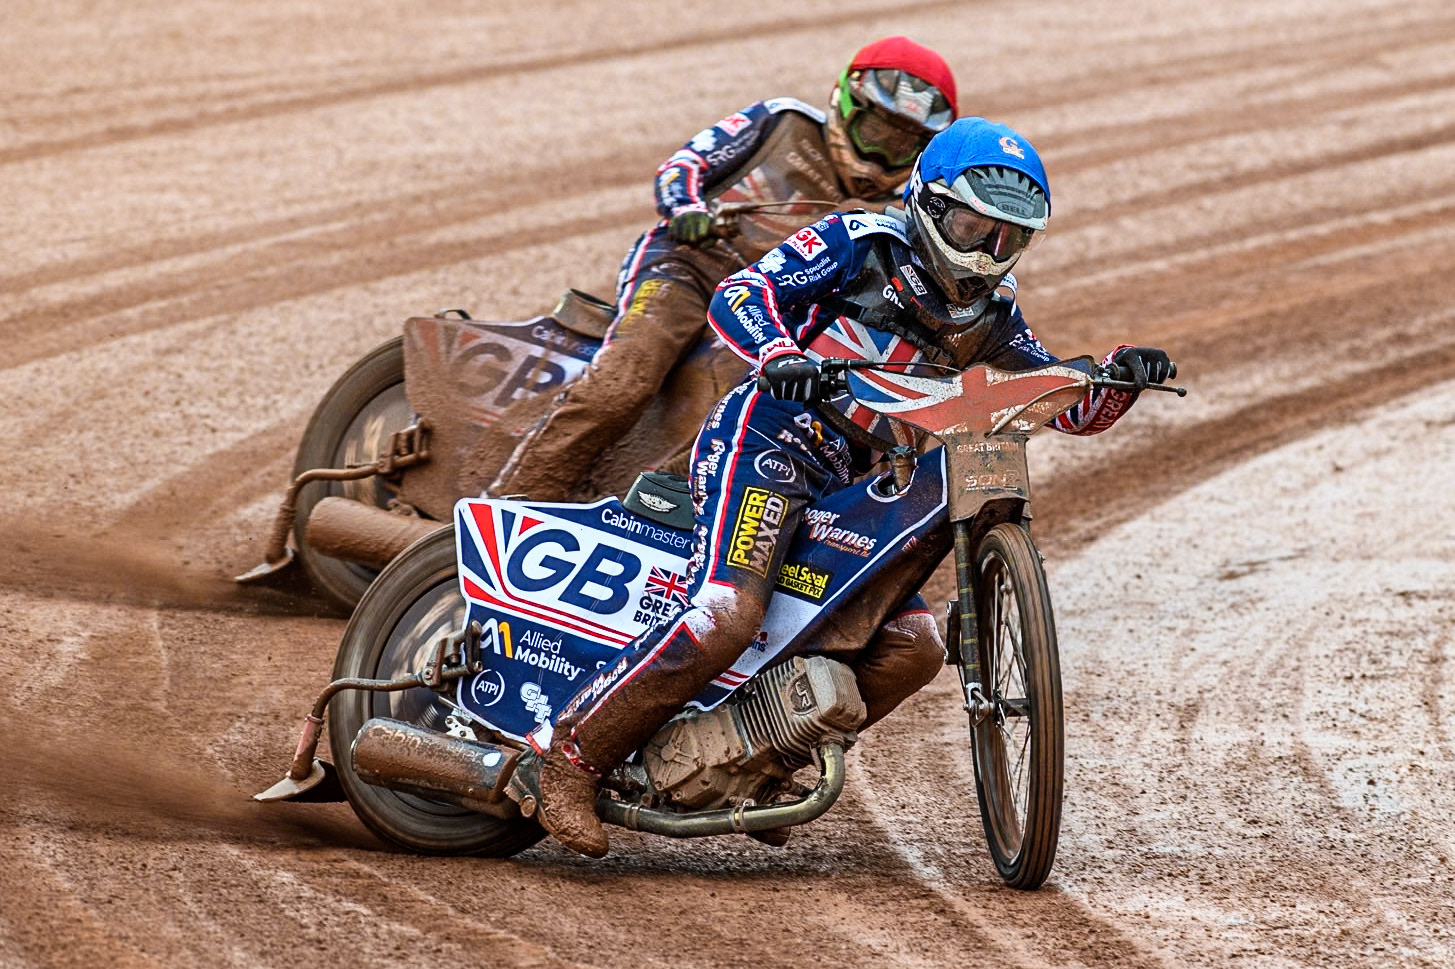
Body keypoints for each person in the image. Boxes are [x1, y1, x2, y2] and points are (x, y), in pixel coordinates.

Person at [529, 117, 1176, 857]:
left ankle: (766, 759)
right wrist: (777, 352)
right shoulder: (858, 240)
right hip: (770, 439)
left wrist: (1118, 374)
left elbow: (1056, 400)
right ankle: (570, 759)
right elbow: (742, 292)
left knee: (913, 648)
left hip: (856, 480)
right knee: (727, 611)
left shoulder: (990, 312)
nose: (986, 252)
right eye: (973, 226)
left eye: (1007, 238)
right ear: (929, 205)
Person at [487, 36, 958, 501]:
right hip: (688, 268)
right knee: (624, 381)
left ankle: (661, 508)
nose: (881, 156)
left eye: (902, 145)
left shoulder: (904, 211)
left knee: (764, 411)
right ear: (847, 104)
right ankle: (504, 502)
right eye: (877, 134)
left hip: (776, 313)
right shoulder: (782, 120)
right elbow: (683, 164)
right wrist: (686, 208)